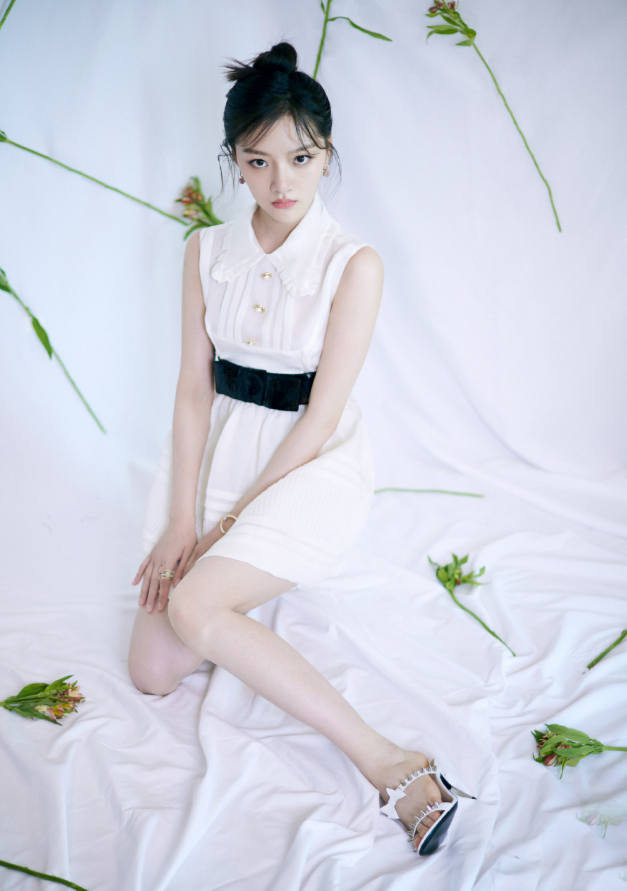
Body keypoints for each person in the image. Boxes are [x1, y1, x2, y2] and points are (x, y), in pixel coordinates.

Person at [128, 41, 467, 856]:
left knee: (195, 607)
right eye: (258, 161)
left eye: (301, 158)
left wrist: (224, 531)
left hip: (306, 464)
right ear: (235, 162)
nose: (281, 182)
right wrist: (182, 521)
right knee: (151, 670)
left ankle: (389, 762)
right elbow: (192, 391)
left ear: (326, 153)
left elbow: (319, 418)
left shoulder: (353, 264)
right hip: (225, 449)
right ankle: (229, 597)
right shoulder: (205, 251)